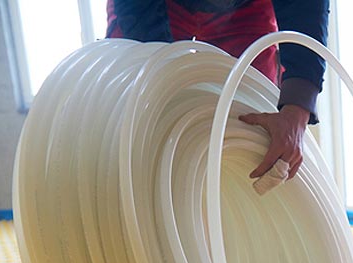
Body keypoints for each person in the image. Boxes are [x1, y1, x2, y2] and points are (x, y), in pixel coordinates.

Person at [107, 0, 329, 181]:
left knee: (256, 131)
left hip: (245, 9)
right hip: (154, 6)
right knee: (134, 113)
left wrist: (296, 110)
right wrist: (160, 81)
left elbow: (307, 8)